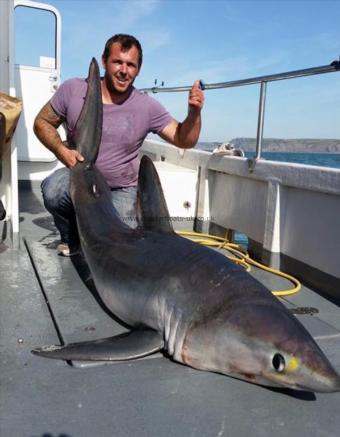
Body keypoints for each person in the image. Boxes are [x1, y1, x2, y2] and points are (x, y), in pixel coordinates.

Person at [34, 34, 204, 256]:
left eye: (131, 65)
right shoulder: (73, 90)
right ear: (104, 61)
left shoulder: (147, 106)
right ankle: (72, 238)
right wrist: (61, 150)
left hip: (121, 189)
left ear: (138, 69)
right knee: (53, 191)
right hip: (81, 180)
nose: (124, 70)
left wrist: (194, 114)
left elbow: (183, 139)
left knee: (119, 246)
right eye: (118, 62)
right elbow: (42, 121)